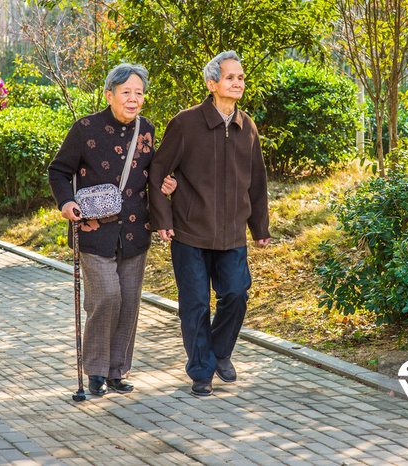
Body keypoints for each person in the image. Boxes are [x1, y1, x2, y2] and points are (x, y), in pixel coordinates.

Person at [48, 63, 176, 396]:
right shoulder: (85, 128)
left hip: (136, 231)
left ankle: (118, 370)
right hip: (93, 230)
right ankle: (95, 371)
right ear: (109, 95)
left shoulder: (146, 130)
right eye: (126, 93)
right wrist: (65, 203)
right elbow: (59, 171)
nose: (133, 99)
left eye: (139, 93)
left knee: (130, 301)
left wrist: (168, 183)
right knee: (106, 297)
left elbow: (155, 172)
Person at [148, 51, 271, 396]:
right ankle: (201, 371)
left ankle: (218, 352)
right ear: (211, 83)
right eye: (230, 77)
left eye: (241, 78)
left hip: (232, 233)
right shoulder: (185, 123)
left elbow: (257, 181)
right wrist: (163, 218)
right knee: (196, 304)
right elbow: (158, 171)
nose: (237, 83)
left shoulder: (248, 127)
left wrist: (259, 228)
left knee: (235, 295)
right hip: (190, 232)